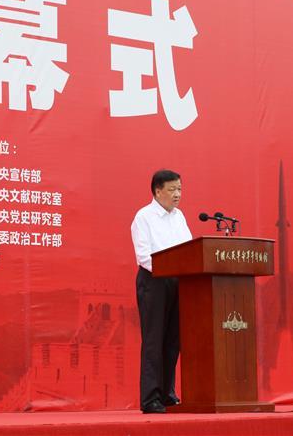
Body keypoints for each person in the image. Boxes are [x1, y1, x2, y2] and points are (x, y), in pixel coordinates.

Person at [130, 169, 193, 414]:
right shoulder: (143, 217)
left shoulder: (179, 217)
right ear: (158, 191)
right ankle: (150, 398)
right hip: (154, 281)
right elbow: (144, 255)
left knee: (172, 340)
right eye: (172, 190)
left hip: (179, 282)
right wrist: (169, 268)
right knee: (154, 340)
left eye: (180, 189)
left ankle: (167, 393)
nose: (177, 195)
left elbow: (189, 248)